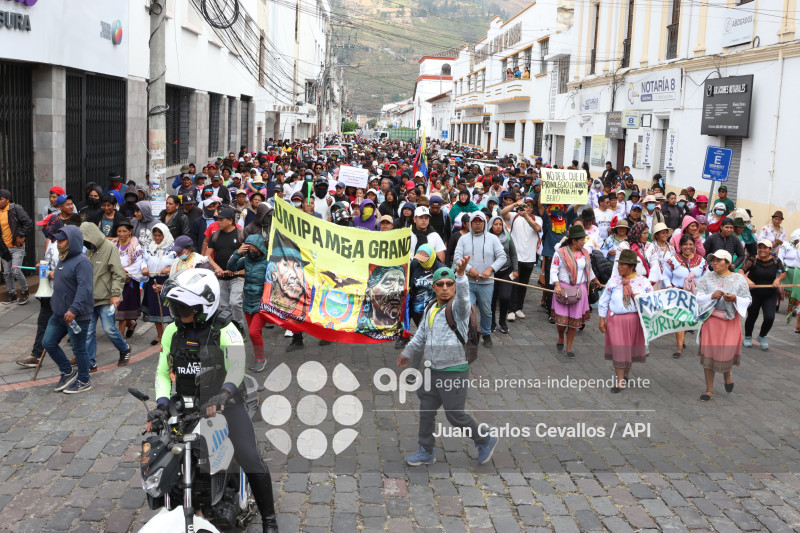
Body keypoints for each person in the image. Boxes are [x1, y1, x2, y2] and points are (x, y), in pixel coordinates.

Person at [154, 269, 278, 532]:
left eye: (184, 308)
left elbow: (236, 366)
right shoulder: (171, 332)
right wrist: (162, 404)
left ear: (204, 306)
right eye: (176, 308)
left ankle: (269, 519)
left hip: (225, 406)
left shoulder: (226, 329)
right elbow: (163, 373)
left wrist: (224, 394)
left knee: (248, 455)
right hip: (186, 407)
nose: (179, 314)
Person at [398, 257, 499, 467]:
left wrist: (461, 276)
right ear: (434, 287)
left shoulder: (458, 309)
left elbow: (463, 299)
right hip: (432, 370)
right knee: (426, 411)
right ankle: (425, 450)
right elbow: (421, 335)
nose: (445, 288)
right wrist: (407, 352)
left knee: (455, 415)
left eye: (449, 284)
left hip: (454, 371)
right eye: (440, 284)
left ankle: (485, 439)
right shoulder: (430, 308)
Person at [42, 225, 94, 394]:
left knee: (79, 349)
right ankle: (67, 371)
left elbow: (84, 288)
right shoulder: (63, 259)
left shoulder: (82, 262)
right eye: (57, 239)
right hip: (58, 314)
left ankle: (84, 380)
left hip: (76, 315)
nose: (58, 243)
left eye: (62, 240)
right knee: (48, 342)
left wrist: (74, 309)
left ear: (72, 241)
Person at [696, 250, 751, 401]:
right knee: (709, 355)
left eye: (718, 260)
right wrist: (711, 296)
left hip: (730, 322)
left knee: (725, 355)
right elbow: (698, 297)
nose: (714, 262)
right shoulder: (707, 278)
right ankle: (709, 390)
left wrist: (734, 299)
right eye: (713, 260)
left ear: (728, 263)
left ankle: (727, 375)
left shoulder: (738, 279)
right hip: (711, 321)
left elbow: (747, 300)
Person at [598, 249, 653, 392]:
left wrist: (637, 296)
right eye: (619, 264)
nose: (619, 266)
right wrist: (601, 319)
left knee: (629, 349)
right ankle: (619, 381)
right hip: (616, 320)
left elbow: (651, 302)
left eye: (623, 264)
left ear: (631, 266)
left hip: (634, 321)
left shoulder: (642, 282)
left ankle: (626, 372)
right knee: (619, 350)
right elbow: (604, 300)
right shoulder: (614, 281)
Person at [81, 221, 131, 370]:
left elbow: (118, 273)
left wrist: (116, 294)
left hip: (106, 298)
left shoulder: (110, 248)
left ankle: (124, 349)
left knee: (109, 329)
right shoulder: (87, 250)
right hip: (90, 298)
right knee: (89, 332)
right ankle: (90, 363)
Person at [453, 211, 507, 348]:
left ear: (484, 222)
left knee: (486, 310)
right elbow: (457, 257)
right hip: (467, 282)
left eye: (480, 221)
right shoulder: (463, 239)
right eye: (475, 221)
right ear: (470, 223)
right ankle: (468, 335)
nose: (478, 223)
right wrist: (470, 269)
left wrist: (491, 269)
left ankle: (486, 333)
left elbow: (502, 257)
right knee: (467, 309)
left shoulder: (493, 239)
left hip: (487, 283)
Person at [550, 225, 599, 358]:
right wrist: (557, 285)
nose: (584, 242)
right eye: (581, 240)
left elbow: (588, 269)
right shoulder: (560, 253)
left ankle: (569, 346)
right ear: (573, 240)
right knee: (561, 321)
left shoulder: (585, 253)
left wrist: (595, 280)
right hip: (563, 289)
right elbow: (554, 270)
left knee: (574, 321)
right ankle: (561, 335)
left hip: (580, 290)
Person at [227, 234, 270, 372]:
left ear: (259, 249)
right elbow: (231, 267)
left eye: (253, 249)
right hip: (247, 303)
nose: (251, 252)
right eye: (248, 249)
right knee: (255, 333)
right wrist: (237, 253)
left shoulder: (267, 263)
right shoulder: (245, 260)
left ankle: (260, 359)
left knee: (253, 332)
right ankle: (259, 353)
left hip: (261, 305)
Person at [663, 234, 707, 358]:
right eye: (685, 244)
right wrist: (669, 287)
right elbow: (666, 275)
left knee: (693, 319)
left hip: (695, 295)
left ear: (694, 246)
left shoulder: (701, 260)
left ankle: (687, 341)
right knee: (679, 319)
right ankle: (679, 348)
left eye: (690, 244)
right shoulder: (673, 259)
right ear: (680, 246)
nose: (688, 247)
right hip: (679, 294)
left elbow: (707, 275)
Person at [206, 207, 246, 332]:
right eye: (218, 219)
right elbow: (207, 255)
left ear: (230, 220)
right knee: (224, 306)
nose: (218, 222)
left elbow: (247, 256)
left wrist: (237, 268)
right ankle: (228, 330)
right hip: (221, 277)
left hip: (237, 276)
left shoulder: (241, 234)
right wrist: (216, 267)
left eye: (221, 220)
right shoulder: (215, 235)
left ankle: (239, 327)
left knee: (235, 303)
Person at [501, 196, 541, 319]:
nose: (527, 207)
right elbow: (503, 213)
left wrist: (526, 216)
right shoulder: (514, 216)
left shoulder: (537, 218)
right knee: (514, 283)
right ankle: (511, 310)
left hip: (529, 257)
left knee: (524, 285)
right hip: (516, 257)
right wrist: (514, 205)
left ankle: (519, 307)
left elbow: (537, 228)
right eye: (525, 205)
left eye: (530, 205)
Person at [741, 240, 785, 350]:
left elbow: (782, 272)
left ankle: (762, 336)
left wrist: (778, 279)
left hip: (770, 293)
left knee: (770, 317)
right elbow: (741, 271)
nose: (762, 250)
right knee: (752, 316)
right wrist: (748, 280)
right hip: (754, 293)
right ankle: (748, 336)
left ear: (770, 250)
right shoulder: (752, 259)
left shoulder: (776, 260)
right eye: (760, 247)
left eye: (765, 248)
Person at [140, 223, 176, 346]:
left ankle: (172, 335)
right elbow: (143, 260)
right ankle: (160, 335)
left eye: (159, 235)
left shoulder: (173, 248)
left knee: (169, 309)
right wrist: (144, 268)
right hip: (152, 281)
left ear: (164, 235)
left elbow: (179, 263)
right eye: (155, 235)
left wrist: (170, 268)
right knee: (155, 308)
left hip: (167, 280)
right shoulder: (149, 247)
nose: (157, 238)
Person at [113, 220, 145, 338]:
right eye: (119, 231)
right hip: (116, 279)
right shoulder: (114, 244)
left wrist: (126, 271)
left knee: (123, 308)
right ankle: (131, 323)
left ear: (130, 231)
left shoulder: (136, 246)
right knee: (118, 307)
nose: (121, 234)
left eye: (124, 231)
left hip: (129, 280)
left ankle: (120, 337)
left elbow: (139, 261)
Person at [0, 189, 32, 305]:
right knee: (7, 273)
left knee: (16, 271)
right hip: (4, 247)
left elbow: (28, 223)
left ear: (7, 200)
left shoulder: (15, 209)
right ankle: (12, 294)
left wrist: (21, 235)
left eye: (1, 199)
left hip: (17, 247)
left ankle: (25, 292)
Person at [488, 215, 518, 334]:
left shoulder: (507, 237)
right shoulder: (486, 238)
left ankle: (502, 321)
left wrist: (515, 270)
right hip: (491, 273)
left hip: (506, 272)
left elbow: (513, 254)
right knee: (492, 298)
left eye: (500, 224)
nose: (498, 226)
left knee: (505, 297)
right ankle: (492, 322)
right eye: (496, 224)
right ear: (491, 225)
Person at [778, 229, 800, 320]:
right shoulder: (786, 245)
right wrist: (781, 269)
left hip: (795, 271)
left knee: (793, 291)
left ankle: (789, 309)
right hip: (786, 270)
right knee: (781, 289)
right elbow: (780, 257)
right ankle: (776, 304)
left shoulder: (798, 246)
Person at [644, 222, 674, 288]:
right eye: (663, 233)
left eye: (666, 233)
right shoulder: (651, 247)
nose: (666, 235)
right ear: (656, 235)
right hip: (656, 279)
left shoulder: (671, 248)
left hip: (669, 279)